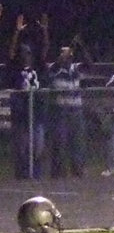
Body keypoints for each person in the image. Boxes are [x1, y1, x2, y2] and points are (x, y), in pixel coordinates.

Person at [7, 13, 48, 180]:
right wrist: (17, 32)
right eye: (23, 52)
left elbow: (45, 48)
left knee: (38, 145)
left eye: (29, 52)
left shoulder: (38, 65)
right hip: (22, 111)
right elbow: (11, 53)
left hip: (36, 110)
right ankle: (22, 175)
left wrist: (45, 30)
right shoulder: (16, 67)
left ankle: (36, 174)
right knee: (22, 146)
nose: (26, 55)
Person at [46, 34, 92, 178]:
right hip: (61, 110)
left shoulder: (75, 68)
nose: (68, 58)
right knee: (60, 141)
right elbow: (57, 64)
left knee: (78, 142)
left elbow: (89, 64)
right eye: (66, 55)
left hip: (76, 109)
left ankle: (78, 170)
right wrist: (68, 50)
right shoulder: (54, 68)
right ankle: (58, 172)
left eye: (70, 56)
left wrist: (81, 46)